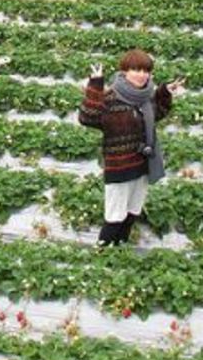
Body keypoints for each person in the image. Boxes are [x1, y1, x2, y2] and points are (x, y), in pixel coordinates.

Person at [79, 49, 186, 246]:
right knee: (115, 214)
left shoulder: (145, 98)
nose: (142, 75)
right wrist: (95, 85)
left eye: (146, 71)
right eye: (136, 70)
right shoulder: (110, 98)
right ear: (124, 71)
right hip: (120, 167)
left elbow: (157, 113)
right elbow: (88, 117)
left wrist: (165, 93)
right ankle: (103, 253)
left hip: (142, 165)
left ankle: (120, 248)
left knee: (133, 210)